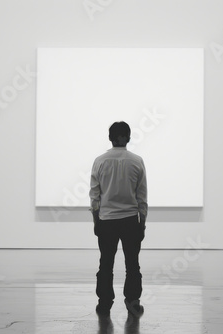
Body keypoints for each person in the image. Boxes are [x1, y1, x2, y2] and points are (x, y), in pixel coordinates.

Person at [89, 121, 148, 318]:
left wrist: (96, 221)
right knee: (132, 264)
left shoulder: (100, 161)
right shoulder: (137, 161)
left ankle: (104, 303)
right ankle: (133, 302)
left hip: (107, 220)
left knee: (105, 263)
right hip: (130, 220)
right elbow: (142, 198)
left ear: (110, 137)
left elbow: (94, 197)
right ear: (129, 137)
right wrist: (143, 223)